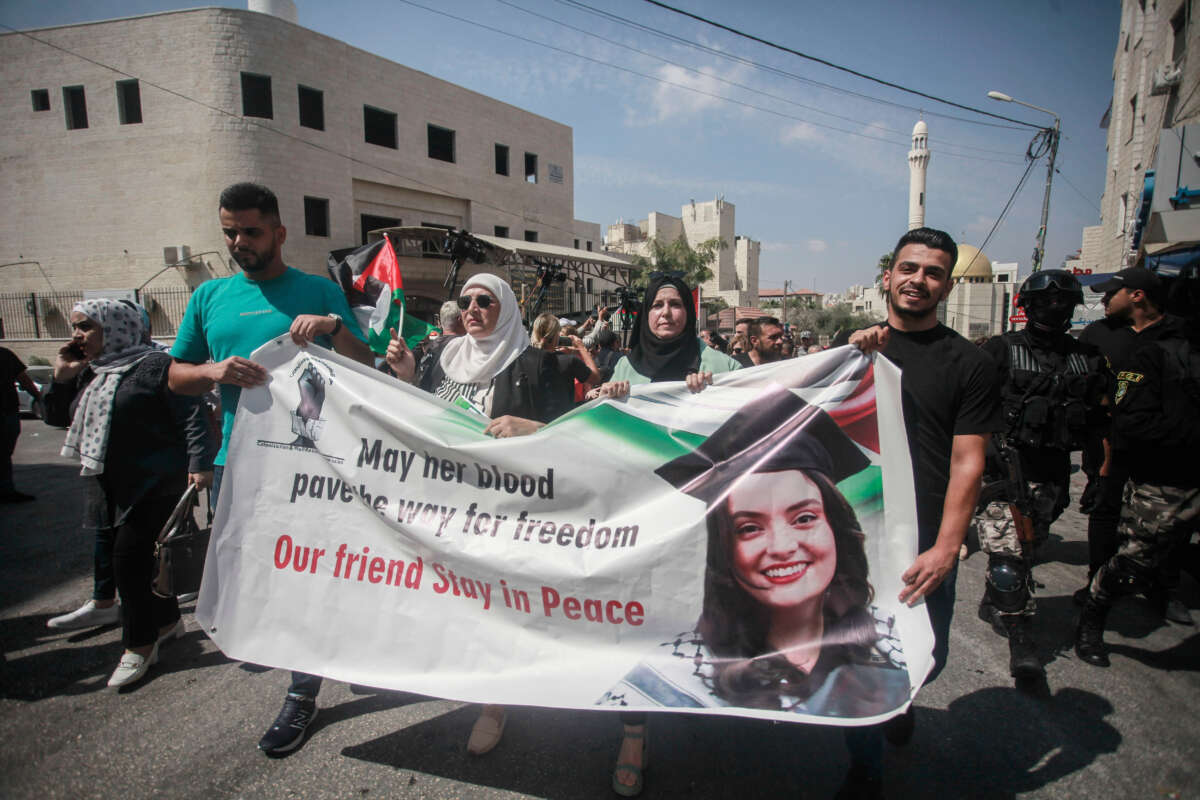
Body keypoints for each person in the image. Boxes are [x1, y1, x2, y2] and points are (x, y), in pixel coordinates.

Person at [168, 182, 373, 755]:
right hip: (242, 465)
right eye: (230, 232)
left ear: (279, 233)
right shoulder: (209, 297)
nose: (239, 242)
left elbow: (371, 366)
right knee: (264, 577)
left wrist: (334, 329)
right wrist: (212, 372)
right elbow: (173, 375)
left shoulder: (315, 290)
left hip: (315, 467)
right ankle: (306, 665)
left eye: (251, 231)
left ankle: (301, 692)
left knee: (312, 576)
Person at [599, 387, 908, 721]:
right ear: (725, 549)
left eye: (804, 519)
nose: (781, 547)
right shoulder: (675, 674)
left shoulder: (890, 636)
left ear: (835, 527)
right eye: (749, 528)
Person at [385, 273, 568, 755]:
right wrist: (406, 374)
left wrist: (530, 427)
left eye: (484, 301)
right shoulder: (441, 358)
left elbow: (572, 431)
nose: (472, 308)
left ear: (504, 308)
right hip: (447, 506)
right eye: (465, 300)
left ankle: (494, 702)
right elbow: (422, 414)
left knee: (501, 601)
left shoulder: (534, 362)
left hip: (507, 509)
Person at [847, 227, 999, 798]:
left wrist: (946, 546)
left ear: (948, 285)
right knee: (865, 657)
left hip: (927, 539)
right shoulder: (855, 346)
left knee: (927, 655)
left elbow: (968, 462)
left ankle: (901, 700)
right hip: (861, 531)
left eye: (933, 273)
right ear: (888, 274)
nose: (918, 281)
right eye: (909, 268)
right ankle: (863, 769)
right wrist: (850, 354)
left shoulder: (970, 364)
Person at [594, 273, 740, 796]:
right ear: (643, 315)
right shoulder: (626, 367)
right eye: (657, 304)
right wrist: (609, 398)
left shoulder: (719, 365)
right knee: (638, 626)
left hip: (704, 523)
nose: (666, 314)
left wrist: (714, 396)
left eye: (676, 304)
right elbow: (599, 431)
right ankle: (633, 735)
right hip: (643, 522)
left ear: (690, 312)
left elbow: (752, 421)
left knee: (699, 620)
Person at [44, 300, 215, 688]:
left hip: (155, 483)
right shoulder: (92, 372)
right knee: (150, 560)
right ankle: (169, 623)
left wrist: (199, 463)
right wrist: (61, 376)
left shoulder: (154, 366)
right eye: (75, 327)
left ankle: (139, 645)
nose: (77, 335)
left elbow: (192, 413)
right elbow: (55, 418)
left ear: (116, 327)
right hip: (108, 483)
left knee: (128, 565)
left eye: (86, 326)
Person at [972, 270, 1099, 680]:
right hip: (1004, 471)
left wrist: (1103, 472)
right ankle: (1021, 641)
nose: (1055, 309)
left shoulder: (1087, 358)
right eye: (1046, 302)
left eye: (1063, 302)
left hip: (1054, 473)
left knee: (1029, 551)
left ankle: (998, 598)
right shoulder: (1001, 351)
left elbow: (1102, 416)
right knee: (1008, 558)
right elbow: (971, 409)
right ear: (1027, 305)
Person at [1075, 267, 1200, 665]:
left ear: (1139, 296)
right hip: (1148, 461)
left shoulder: (1182, 336)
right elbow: (1128, 414)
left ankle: (1164, 590)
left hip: (1179, 465)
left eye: (1113, 292)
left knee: (1169, 547)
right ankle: (1097, 600)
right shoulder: (1127, 343)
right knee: (1132, 546)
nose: (1105, 300)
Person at [530, 312, 601, 407]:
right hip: (563, 418)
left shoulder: (525, 359)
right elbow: (596, 378)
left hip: (534, 419)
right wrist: (581, 348)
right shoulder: (568, 361)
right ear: (556, 336)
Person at [1, 346, 41, 503]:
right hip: (7, 413)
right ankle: (6, 490)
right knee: (4, 454)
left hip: (7, 412)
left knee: (4, 453)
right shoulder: (5, 354)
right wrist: (39, 397)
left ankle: (6, 490)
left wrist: (38, 396)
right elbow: (24, 380)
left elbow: (23, 379)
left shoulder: (5, 355)